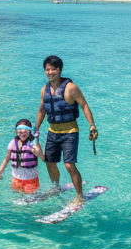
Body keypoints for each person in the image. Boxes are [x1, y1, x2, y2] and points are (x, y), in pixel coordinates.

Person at [34, 55, 98, 205]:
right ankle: (55, 187)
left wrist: (92, 125)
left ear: (59, 70)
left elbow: (84, 105)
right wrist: (36, 128)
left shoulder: (71, 88)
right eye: (47, 69)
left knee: (69, 165)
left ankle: (79, 196)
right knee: (50, 162)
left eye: (53, 69)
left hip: (70, 132)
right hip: (52, 132)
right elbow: (42, 110)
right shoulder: (44, 90)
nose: (50, 72)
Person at [0, 119, 43, 194]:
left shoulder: (33, 145)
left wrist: (38, 148)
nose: (22, 134)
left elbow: (43, 159)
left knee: (30, 199)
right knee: (16, 196)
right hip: (16, 179)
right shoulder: (12, 143)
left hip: (30, 180)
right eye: (20, 132)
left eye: (25, 131)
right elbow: (6, 159)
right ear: (16, 132)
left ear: (30, 132)